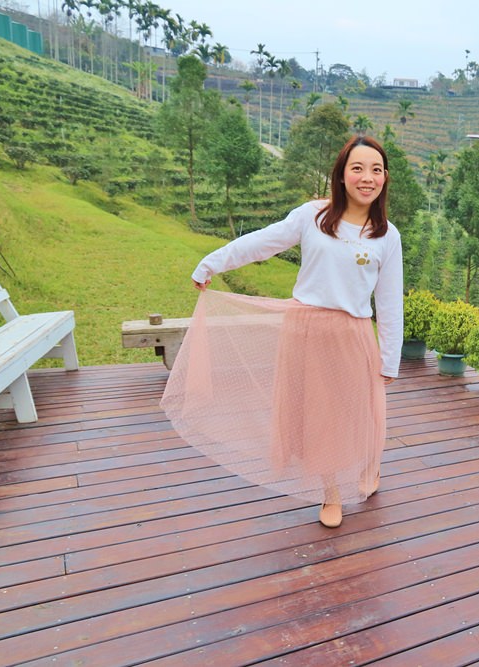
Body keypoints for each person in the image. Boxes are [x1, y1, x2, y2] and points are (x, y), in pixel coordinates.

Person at [160, 135, 403, 529]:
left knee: (362, 411)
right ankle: (330, 493)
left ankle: (369, 467)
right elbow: (262, 243)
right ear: (341, 176)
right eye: (357, 168)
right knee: (319, 415)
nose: (367, 178)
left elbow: (390, 303)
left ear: (385, 179)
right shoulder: (312, 216)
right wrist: (212, 263)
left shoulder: (386, 236)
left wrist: (390, 358)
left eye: (376, 170)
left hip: (353, 335)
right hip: (305, 330)